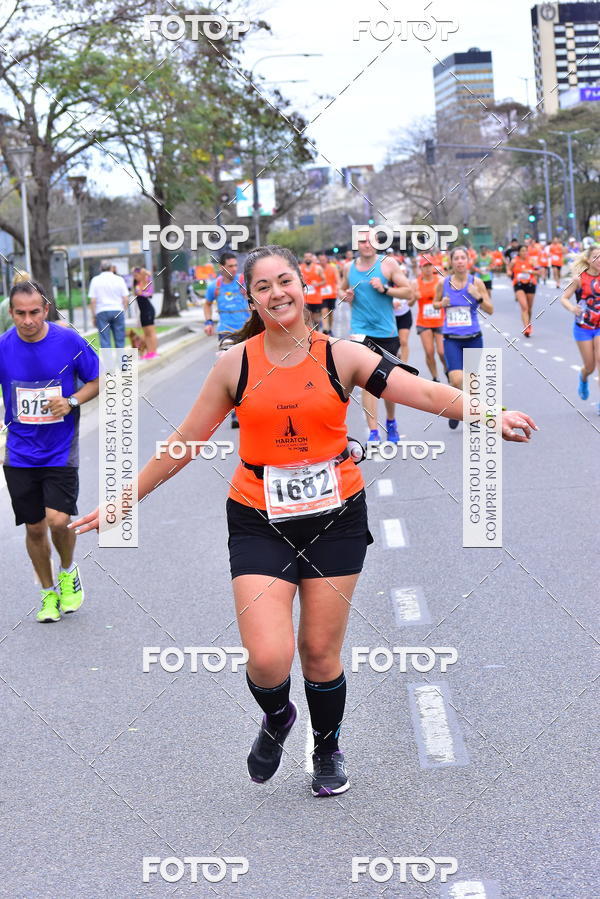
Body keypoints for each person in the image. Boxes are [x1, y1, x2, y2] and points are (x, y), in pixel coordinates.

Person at [72, 245, 536, 797]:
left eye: (284, 280)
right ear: (251, 297)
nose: (277, 293)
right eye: (263, 286)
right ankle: (276, 717)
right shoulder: (235, 364)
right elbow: (184, 443)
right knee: (269, 659)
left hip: (335, 518)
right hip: (258, 517)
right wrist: (125, 500)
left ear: (303, 285)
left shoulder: (343, 355)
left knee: (319, 652)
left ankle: (326, 747)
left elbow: (425, 391)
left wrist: (490, 414)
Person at [0, 280, 99, 621]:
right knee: (34, 527)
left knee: (58, 521)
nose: (28, 321)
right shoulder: (3, 346)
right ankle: (47, 594)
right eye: (20, 314)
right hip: (19, 453)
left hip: (59, 449)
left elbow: (99, 379)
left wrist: (71, 401)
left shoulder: (68, 340)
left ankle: (68, 572)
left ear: (46, 309)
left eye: (34, 312)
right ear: (11, 313)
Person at [339, 228, 412, 444]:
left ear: (377, 242)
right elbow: (341, 290)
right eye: (361, 241)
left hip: (386, 332)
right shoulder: (348, 267)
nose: (366, 244)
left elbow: (408, 292)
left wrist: (385, 289)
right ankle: (373, 432)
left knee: (388, 384)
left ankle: (391, 421)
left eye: (370, 240)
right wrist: (346, 295)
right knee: (368, 382)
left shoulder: (388, 265)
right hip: (361, 332)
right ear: (357, 244)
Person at [433, 246, 493, 429]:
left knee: (472, 379)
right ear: (451, 262)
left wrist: (479, 298)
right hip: (452, 338)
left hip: (473, 337)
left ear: (468, 261)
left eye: (462, 258)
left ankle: (471, 414)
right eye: (456, 258)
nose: (459, 261)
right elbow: (435, 304)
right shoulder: (443, 284)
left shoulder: (477, 283)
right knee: (457, 379)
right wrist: (440, 304)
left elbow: (490, 310)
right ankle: (457, 409)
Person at [204, 252, 249, 428]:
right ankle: (234, 413)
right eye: (230, 266)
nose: (234, 269)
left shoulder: (244, 281)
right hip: (226, 333)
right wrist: (208, 321)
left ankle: (247, 407)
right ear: (221, 268)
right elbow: (207, 303)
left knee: (247, 372)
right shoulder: (214, 286)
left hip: (245, 331)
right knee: (230, 374)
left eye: (235, 265)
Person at [560, 245, 600, 413]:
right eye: (595, 257)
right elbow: (564, 298)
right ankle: (583, 378)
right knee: (589, 367)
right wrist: (572, 308)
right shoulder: (579, 279)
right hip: (583, 327)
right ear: (588, 260)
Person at [409, 257, 446, 381]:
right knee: (429, 352)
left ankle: (447, 370)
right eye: (425, 266)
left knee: (442, 352)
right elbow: (409, 303)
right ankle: (435, 377)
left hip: (440, 320)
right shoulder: (415, 283)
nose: (428, 268)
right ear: (421, 268)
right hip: (424, 322)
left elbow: (449, 296)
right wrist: (415, 297)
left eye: (430, 265)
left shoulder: (440, 280)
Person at [88, 260, 129, 348]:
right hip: (118, 310)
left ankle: (108, 361)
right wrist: (124, 310)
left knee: (105, 340)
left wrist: (94, 316)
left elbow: (93, 300)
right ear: (111, 268)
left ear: (100, 268)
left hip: (101, 312)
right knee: (120, 339)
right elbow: (125, 298)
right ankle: (121, 361)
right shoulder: (119, 279)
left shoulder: (95, 280)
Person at [508, 245, 538, 338]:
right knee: (524, 307)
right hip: (519, 284)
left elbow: (538, 272)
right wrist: (509, 273)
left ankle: (528, 324)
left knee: (529, 308)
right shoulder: (514, 261)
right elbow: (509, 269)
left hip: (530, 284)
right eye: (522, 251)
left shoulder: (531, 260)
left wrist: (529, 271)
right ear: (518, 252)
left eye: (526, 251)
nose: (524, 253)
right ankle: (526, 328)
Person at [132, 267, 158, 359]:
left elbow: (149, 275)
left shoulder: (146, 283)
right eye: (134, 276)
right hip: (142, 312)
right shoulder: (137, 284)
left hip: (148, 310)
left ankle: (154, 352)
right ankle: (149, 352)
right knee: (146, 333)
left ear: (141, 275)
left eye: (136, 275)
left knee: (151, 332)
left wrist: (143, 272)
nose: (135, 277)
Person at [299, 253, 326, 329]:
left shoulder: (318, 268)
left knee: (316, 319)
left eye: (309, 257)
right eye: (305, 257)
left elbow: (324, 281)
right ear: (304, 258)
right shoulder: (300, 268)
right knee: (306, 319)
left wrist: (318, 284)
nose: (307, 258)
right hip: (305, 298)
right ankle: (309, 335)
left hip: (316, 299)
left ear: (312, 258)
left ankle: (316, 334)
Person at [317, 251, 340, 336]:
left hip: (332, 294)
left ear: (327, 260)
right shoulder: (317, 269)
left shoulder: (333, 268)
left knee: (330, 313)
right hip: (321, 295)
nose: (322, 261)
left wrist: (339, 287)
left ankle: (329, 329)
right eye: (320, 260)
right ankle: (325, 330)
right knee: (324, 311)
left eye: (324, 260)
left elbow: (338, 279)